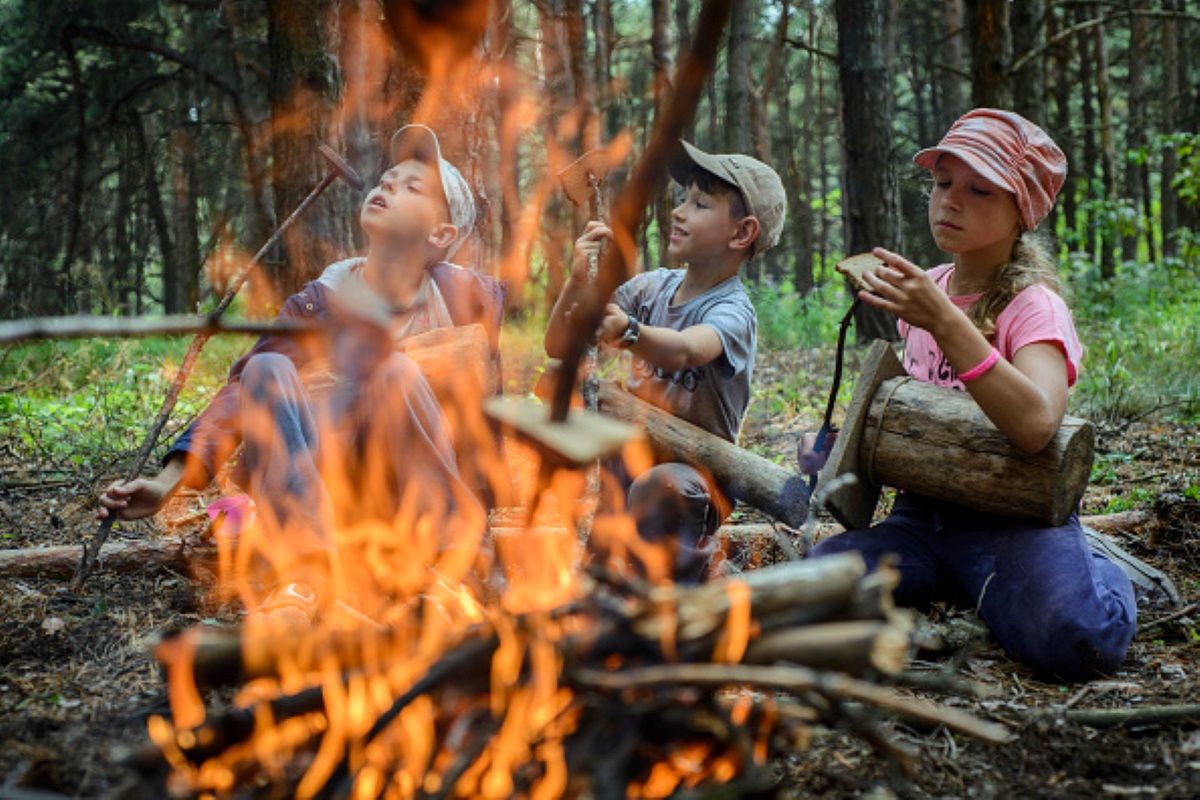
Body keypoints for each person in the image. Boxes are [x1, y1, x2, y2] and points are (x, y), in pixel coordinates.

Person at [97, 125, 505, 623]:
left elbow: (488, 419)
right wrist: (168, 482)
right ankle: (303, 579)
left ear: (441, 235)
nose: (386, 187)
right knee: (267, 365)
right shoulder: (318, 303)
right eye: (386, 179)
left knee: (394, 370)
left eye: (411, 187)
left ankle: (451, 575)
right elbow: (237, 396)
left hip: (415, 506)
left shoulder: (469, 301)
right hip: (331, 505)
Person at [806, 108, 1136, 682]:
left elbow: (1037, 423)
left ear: (1021, 212)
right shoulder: (927, 290)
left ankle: (1096, 571)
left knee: (1081, 640)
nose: (950, 201)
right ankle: (970, 584)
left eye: (979, 189)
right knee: (814, 581)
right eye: (942, 183)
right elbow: (916, 412)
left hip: (1012, 520)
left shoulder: (1032, 306)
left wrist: (944, 323)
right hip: (922, 517)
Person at [544, 141, 787, 583]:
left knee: (662, 487)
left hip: (695, 477)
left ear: (740, 233)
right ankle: (601, 571)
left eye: (700, 204)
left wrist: (630, 332)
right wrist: (579, 278)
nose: (678, 212)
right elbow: (558, 344)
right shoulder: (652, 287)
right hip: (630, 458)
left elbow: (687, 349)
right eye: (681, 199)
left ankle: (697, 581)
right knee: (570, 416)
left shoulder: (733, 311)